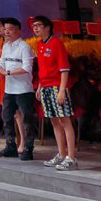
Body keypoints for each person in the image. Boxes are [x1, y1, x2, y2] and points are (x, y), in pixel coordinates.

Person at [31, 15, 76, 170]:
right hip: (45, 86)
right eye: (34, 26)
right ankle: (61, 154)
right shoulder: (39, 44)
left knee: (65, 120)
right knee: (54, 121)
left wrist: (62, 90)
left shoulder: (57, 43)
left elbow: (64, 68)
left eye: (38, 25)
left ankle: (71, 157)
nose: (35, 28)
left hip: (57, 86)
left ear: (47, 27)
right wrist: (39, 86)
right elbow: (42, 69)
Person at [0, 17, 36, 161]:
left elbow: (26, 67)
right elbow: (2, 63)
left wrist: (8, 73)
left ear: (18, 30)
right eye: (5, 29)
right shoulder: (6, 46)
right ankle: (10, 145)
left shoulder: (24, 46)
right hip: (9, 89)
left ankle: (28, 147)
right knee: (6, 118)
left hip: (23, 89)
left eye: (10, 29)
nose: (7, 32)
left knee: (27, 119)